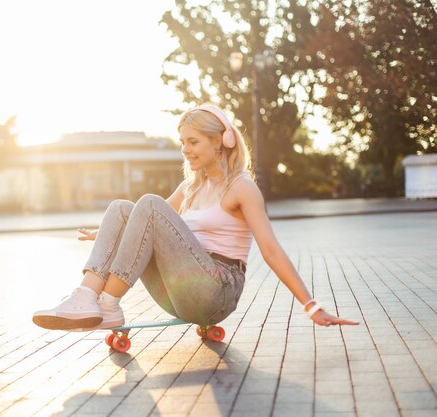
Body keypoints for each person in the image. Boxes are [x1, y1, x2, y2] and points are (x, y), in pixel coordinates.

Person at [32, 104, 360, 331]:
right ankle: (89, 297)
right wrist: (107, 232)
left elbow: (271, 251)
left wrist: (311, 307)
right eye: (182, 143)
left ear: (220, 142)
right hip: (181, 291)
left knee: (147, 204)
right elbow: (144, 225)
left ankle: (106, 303)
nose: (185, 150)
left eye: (193, 142)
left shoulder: (242, 188)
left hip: (216, 292)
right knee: (120, 208)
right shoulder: (190, 185)